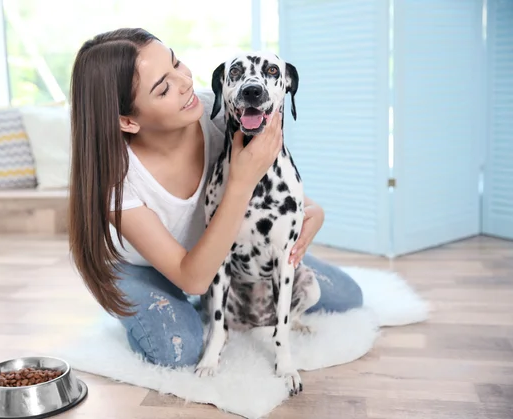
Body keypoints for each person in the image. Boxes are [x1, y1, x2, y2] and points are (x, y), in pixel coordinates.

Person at [68, 28, 363, 368]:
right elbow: (195, 278)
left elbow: (283, 196)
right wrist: (240, 182)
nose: (184, 82)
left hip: (226, 255)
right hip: (148, 267)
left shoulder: (222, 111)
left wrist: (315, 212)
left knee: (347, 296)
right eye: (164, 87)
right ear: (127, 120)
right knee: (177, 351)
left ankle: (213, 295)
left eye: (177, 62)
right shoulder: (118, 180)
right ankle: (152, 302)